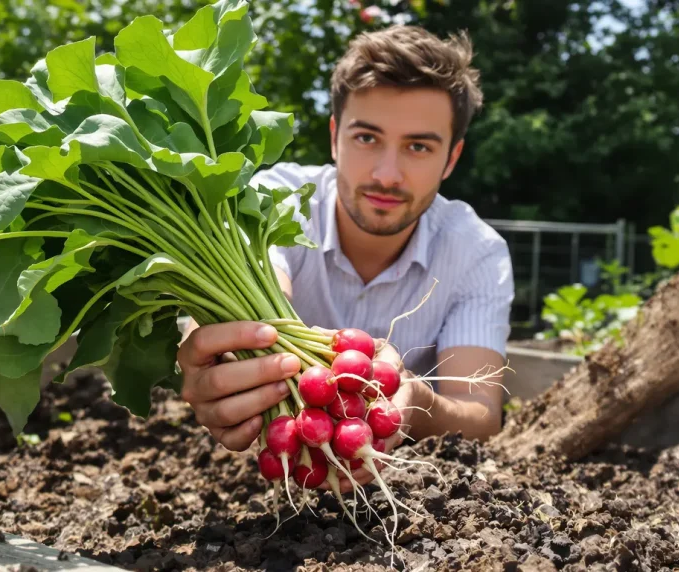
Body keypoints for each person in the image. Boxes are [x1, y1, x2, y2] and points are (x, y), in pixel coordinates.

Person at [177, 25, 514, 491]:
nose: (387, 174)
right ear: (335, 136)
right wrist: (218, 351)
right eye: (367, 138)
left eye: (418, 147)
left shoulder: (477, 252)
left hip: (404, 483)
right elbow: (254, 286)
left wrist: (415, 401)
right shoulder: (273, 200)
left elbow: (480, 412)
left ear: (452, 159)